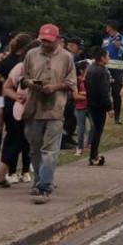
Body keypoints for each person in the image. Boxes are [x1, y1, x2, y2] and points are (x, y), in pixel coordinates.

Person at [19, 24, 77, 203]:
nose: (45, 43)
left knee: (50, 151)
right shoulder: (31, 55)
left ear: (57, 40)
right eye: (42, 40)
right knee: (35, 150)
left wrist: (54, 87)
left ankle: (45, 186)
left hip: (55, 109)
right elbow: (22, 78)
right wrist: (30, 83)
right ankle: (38, 181)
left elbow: (71, 82)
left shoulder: (67, 57)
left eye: (49, 41)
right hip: (34, 108)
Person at [0, 34, 33, 185]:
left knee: (14, 139)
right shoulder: (22, 66)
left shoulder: (6, 62)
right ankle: (17, 172)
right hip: (20, 108)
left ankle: (10, 172)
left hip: (9, 106)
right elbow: (3, 86)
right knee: (20, 141)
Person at [84, 47, 113, 165]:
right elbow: (104, 91)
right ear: (102, 58)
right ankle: (93, 156)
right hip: (100, 105)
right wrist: (109, 107)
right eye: (108, 56)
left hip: (91, 102)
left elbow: (86, 84)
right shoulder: (102, 71)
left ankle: (93, 155)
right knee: (97, 130)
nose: (109, 58)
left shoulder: (90, 69)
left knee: (94, 128)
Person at [102, 20, 123, 125]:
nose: (106, 28)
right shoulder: (106, 40)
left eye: (107, 26)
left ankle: (117, 117)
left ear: (110, 27)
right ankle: (105, 114)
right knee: (104, 92)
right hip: (106, 70)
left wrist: (120, 47)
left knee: (115, 93)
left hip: (117, 70)